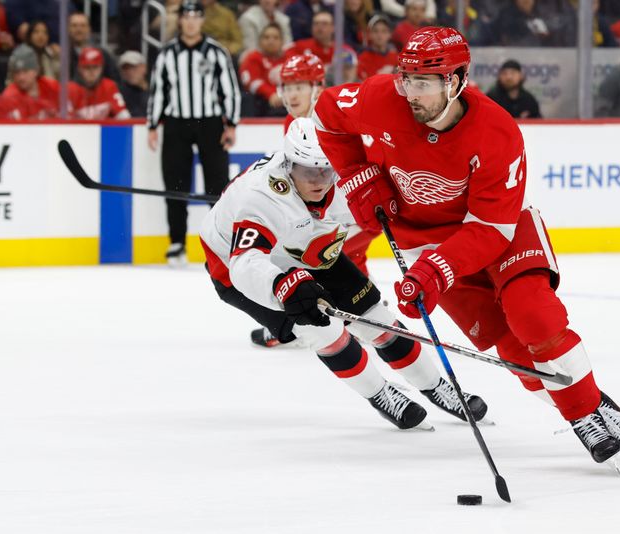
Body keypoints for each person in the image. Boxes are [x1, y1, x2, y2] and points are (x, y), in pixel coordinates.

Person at [313, 26, 620, 467]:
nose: (411, 93)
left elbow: (489, 227)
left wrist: (436, 270)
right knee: (510, 349)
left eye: (424, 83)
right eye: (406, 79)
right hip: (422, 239)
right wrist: (357, 175)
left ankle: (582, 413)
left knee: (533, 314)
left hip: (500, 229)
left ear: (455, 81)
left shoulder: (496, 131)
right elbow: (325, 114)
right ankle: (590, 401)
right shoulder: (382, 99)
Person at [199, 117, 489, 430]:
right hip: (240, 268)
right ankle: (379, 394)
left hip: (310, 247)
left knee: (378, 320)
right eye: (308, 170)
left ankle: (437, 385)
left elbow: (406, 207)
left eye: (326, 169)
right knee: (323, 331)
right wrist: (283, 285)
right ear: (289, 164)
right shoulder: (263, 197)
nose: (319, 180)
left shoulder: (348, 180)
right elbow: (245, 263)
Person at [250, 52, 378, 349]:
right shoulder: (292, 123)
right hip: (338, 211)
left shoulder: (334, 117)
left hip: (358, 209)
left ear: (317, 86)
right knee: (347, 261)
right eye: (287, 86)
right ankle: (366, 320)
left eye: (299, 86)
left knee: (308, 255)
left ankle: (295, 324)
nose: (292, 94)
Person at [147, 0, 240, 266]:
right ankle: (177, 242)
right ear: (180, 21)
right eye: (186, 16)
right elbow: (158, 92)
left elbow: (229, 90)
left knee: (217, 184)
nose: (190, 22)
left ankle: (220, 242)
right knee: (175, 184)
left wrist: (231, 123)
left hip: (210, 124)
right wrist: (153, 126)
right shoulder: (167, 54)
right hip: (176, 124)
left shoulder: (216, 52)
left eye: (195, 17)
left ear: (202, 20)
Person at [68, 47, 131, 120]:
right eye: (87, 67)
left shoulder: (109, 86)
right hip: (78, 130)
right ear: (79, 68)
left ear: (102, 68)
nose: (91, 72)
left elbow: (124, 116)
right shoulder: (70, 89)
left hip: (104, 130)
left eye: (95, 67)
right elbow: (65, 122)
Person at [238, 23, 286, 117]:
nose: (271, 41)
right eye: (266, 37)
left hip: (288, 102)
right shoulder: (252, 58)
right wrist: (271, 94)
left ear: (282, 41)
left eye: (275, 38)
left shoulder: (290, 58)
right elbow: (252, 83)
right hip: (262, 105)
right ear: (260, 41)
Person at [2, 44, 60, 120]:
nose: (21, 77)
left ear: (36, 71)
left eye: (25, 71)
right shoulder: (9, 97)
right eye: (17, 72)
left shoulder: (52, 87)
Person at [68, 12, 120, 83]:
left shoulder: (102, 54)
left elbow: (115, 81)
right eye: (74, 25)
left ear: (89, 29)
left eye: (83, 25)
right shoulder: (61, 55)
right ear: (68, 29)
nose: (78, 29)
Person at [357, 14, 397, 81]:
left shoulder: (396, 57)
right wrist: (381, 75)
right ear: (369, 34)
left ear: (390, 34)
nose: (380, 35)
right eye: (375, 31)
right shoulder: (362, 58)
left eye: (384, 31)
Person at [117, 50, 150, 118]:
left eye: (133, 67)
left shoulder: (157, 89)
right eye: (125, 68)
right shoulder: (118, 93)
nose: (129, 72)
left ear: (144, 67)